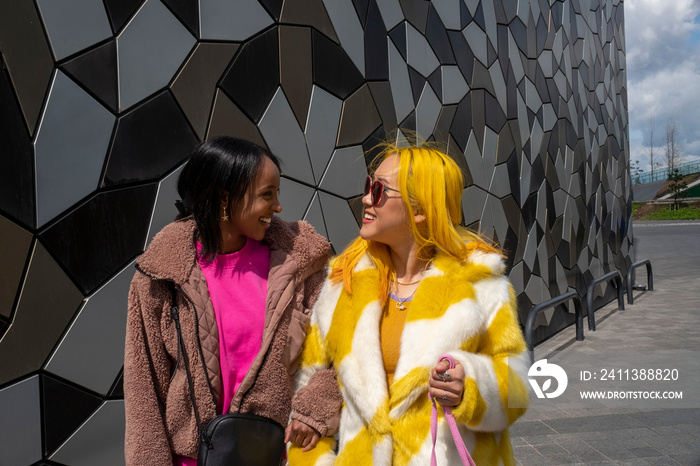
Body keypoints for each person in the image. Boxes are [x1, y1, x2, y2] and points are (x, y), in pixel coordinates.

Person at [288, 142, 531, 465]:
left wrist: (471, 385)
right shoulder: (342, 285)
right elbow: (308, 390)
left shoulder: (479, 285)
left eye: (378, 190)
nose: (365, 199)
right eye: (367, 186)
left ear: (420, 210)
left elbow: (517, 393)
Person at [124, 136, 340, 465]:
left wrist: (315, 412)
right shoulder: (160, 277)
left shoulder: (302, 264)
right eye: (267, 195)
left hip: (277, 457)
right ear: (225, 199)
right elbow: (143, 393)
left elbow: (341, 351)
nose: (278, 206)